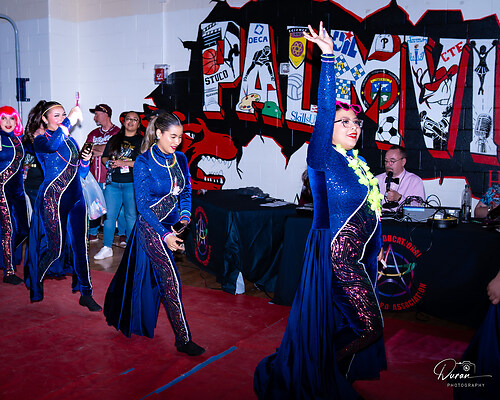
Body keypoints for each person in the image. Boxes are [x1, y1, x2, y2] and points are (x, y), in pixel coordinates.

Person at [254, 23, 386, 399]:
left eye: (356, 122)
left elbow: (366, 213)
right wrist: (329, 56)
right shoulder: (323, 156)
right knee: (369, 328)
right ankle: (316, 370)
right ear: (328, 129)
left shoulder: (355, 163)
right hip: (334, 258)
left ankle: (320, 369)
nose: (353, 126)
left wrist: (374, 251)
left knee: (345, 325)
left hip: (354, 259)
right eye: (344, 122)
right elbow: (327, 108)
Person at [104, 112, 205, 356]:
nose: (177, 142)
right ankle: (183, 339)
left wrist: (184, 219)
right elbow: (142, 206)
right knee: (171, 281)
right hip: (151, 229)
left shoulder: (180, 158)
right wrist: (164, 234)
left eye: (180, 137)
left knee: (152, 280)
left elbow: (186, 192)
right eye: (173, 136)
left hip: (172, 227)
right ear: (159, 134)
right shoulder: (143, 161)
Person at [23, 100, 101, 311]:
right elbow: (52, 146)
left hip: (77, 198)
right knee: (55, 249)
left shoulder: (70, 141)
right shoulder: (41, 140)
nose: (61, 118)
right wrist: (70, 120)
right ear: (44, 119)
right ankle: (36, 277)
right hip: (53, 199)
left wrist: (85, 160)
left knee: (81, 247)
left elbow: (81, 173)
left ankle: (86, 293)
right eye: (56, 115)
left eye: (64, 114)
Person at [94, 111, 143, 259]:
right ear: (124, 121)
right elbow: (104, 157)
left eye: (135, 120)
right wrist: (109, 163)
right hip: (113, 183)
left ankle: (132, 248)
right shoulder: (115, 138)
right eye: (128, 119)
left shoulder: (142, 141)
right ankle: (106, 247)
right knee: (109, 217)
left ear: (139, 124)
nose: (131, 122)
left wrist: (124, 163)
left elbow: (143, 162)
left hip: (131, 184)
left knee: (131, 217)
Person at [85, 104, 123, 243]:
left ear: (105, 114)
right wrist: (103, 150)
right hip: (94, 178)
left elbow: (114, 151)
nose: (95, 117)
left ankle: (123, 233)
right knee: (94, 206)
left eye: (97, 114)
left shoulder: (118, 132)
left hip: (111, 177)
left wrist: (99, 150)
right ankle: (93, 232)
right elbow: (86, 150)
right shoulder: (93, 133)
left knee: (117, 208)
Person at [0, 106, 29, 285]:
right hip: (2, 191)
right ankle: (8, 271)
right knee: (8, 230)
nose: (8, 122)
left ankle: (5, 256)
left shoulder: (19, 139)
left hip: (18, 192)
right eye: (4, 118)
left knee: (23, 229)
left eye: (12, 118)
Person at [375, 145, 425, 210]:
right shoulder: (377, 180)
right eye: (386, 161)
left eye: (392, 161)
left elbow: (420, 208)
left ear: (403, 162)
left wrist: (400, 198)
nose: (388, 164)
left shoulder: (414, 181)